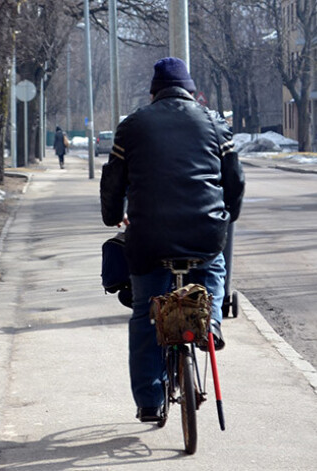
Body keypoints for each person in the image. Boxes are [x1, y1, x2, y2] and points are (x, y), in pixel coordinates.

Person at [99, 57, 245, 423]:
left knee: (145, 311)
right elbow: (236, 181)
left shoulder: (132, 126)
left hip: (148, 238)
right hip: (203, 234)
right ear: (192, 92)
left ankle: (149, 401)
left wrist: (112, 216)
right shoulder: (214, 124)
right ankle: (209, 322)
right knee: (211, 267)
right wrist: (228, 213)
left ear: (153, 93)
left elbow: (113, 180)